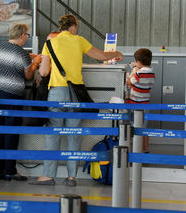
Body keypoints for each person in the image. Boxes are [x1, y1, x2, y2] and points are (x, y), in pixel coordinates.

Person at [31, 14, 124, 186]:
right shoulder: (79, 40)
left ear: (61, 28)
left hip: (56, 94)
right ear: (73, 26)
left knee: (53, 136)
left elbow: (43, 72)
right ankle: (71, 177)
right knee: (74, 135)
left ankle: (48, 175)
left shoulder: (49, 43)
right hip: (75, 94)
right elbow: (102, 56)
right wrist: (116, 53)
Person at [0, 23, 38, 181]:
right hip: (12, 95)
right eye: (27, 35)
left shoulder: (0, 47)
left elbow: (11, 60)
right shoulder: (21, 53)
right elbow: (28, 75)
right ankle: (10, 170)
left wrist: (28, 57)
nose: (26, 38)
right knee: (11, 133)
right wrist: (35, 62)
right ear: (22, 35)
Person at [126, 47, 155, 152]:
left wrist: (133, 70)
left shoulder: (139, 73)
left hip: (135, 103)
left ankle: (134, 149)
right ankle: (145, 149)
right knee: (144, 127)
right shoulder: (151, 72)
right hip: (145, 103)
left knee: (134, 126)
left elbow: (130, 82)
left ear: (138, 61)